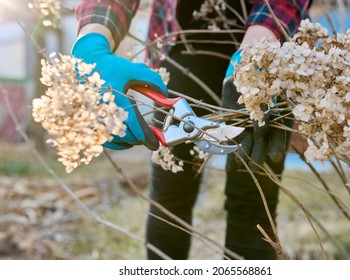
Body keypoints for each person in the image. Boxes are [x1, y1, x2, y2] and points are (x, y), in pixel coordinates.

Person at [72, 0, 312, 260]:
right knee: (170, 197)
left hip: (268, 47)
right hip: (183, 39)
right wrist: (91, 43)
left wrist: (259, 49)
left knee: (253, 201)